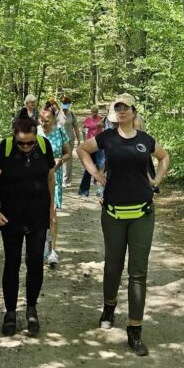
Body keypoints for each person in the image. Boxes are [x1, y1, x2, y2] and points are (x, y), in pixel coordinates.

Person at [78, 92, 170, 357]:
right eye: (117, 108)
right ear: (113, 112)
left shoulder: (145, 140)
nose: (121, 112)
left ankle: (135, 330)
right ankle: (108, 307)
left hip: (142, 213)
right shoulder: (107, 137)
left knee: (138, 272)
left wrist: (157, 180)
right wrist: (95, 173)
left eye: (125, 108)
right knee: (113, 265)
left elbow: (164, 157)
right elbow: (82, 149)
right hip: (114, 214)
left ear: (133, 111)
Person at [0, 116, 55, 337]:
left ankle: (31, 309)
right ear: (14, 137)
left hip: (38, 216)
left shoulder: (44, 146)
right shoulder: (5, 148)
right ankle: (11, 313)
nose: (25, 147)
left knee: (35, 262)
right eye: (21, 143)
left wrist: (52, 208)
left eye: (29, 143)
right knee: (12, 263)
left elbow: (50, 177)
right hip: (11, 218)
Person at [38, 105, 71, 265]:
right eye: (42, 120)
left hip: (55, 178)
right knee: (37, 214)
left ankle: (53, 250)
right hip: (36, 178)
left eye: (47, 120)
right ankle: (41, 244)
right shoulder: (34, 133)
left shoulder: (59, 131)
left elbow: (68, 153)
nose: (44, 124)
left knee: (53, 213)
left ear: (53, 119)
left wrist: (60, 160)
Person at [78, 106, 104, 197]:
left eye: (96, 112)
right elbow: (88, 126)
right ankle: (84, 190)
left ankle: (101, 189)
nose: (95, 113)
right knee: (89, 167)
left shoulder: (100, 118)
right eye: (93, 112)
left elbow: (104, 126)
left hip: (100, 145)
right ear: (91, 112)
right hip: (90, 146)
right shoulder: (88, 119)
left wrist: (101, 121)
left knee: (101, 165)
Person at [60, 96, 81, 186]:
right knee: (59, 159)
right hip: (59, 140)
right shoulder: (56, 114)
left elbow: (76, 127)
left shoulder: (72, 114)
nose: (65, 107)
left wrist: (79, 139)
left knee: (68, 160)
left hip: (69, 140)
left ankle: (66, 180)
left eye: (66, 104)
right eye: (63, 104)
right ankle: (60, 178)